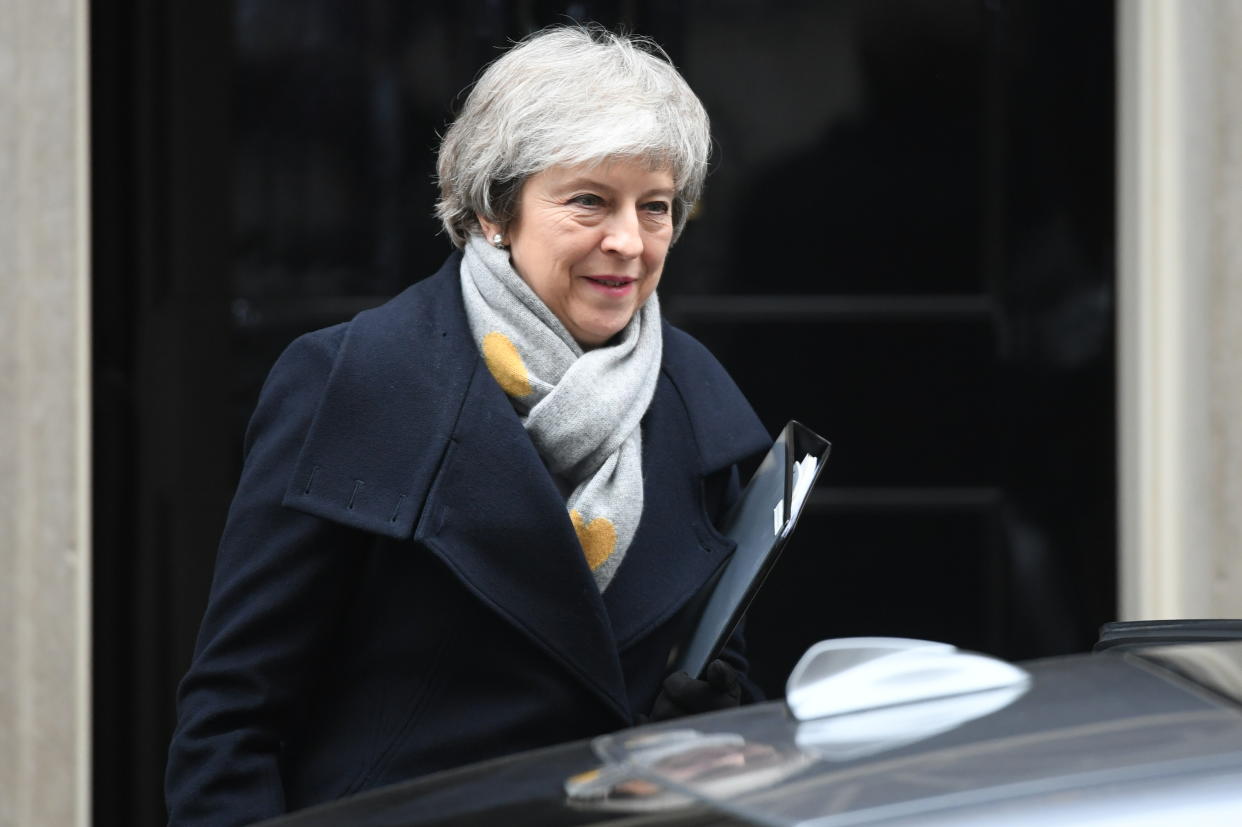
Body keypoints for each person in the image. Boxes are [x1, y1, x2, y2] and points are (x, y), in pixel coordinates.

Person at [165, 24, 771, 826]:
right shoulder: (352, 381)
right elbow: (232, 715)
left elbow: (716, 677)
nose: (629, 241)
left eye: (654, 207)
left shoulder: (700, 400)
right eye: (590, 199)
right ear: (494, 210)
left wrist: (704, 722)